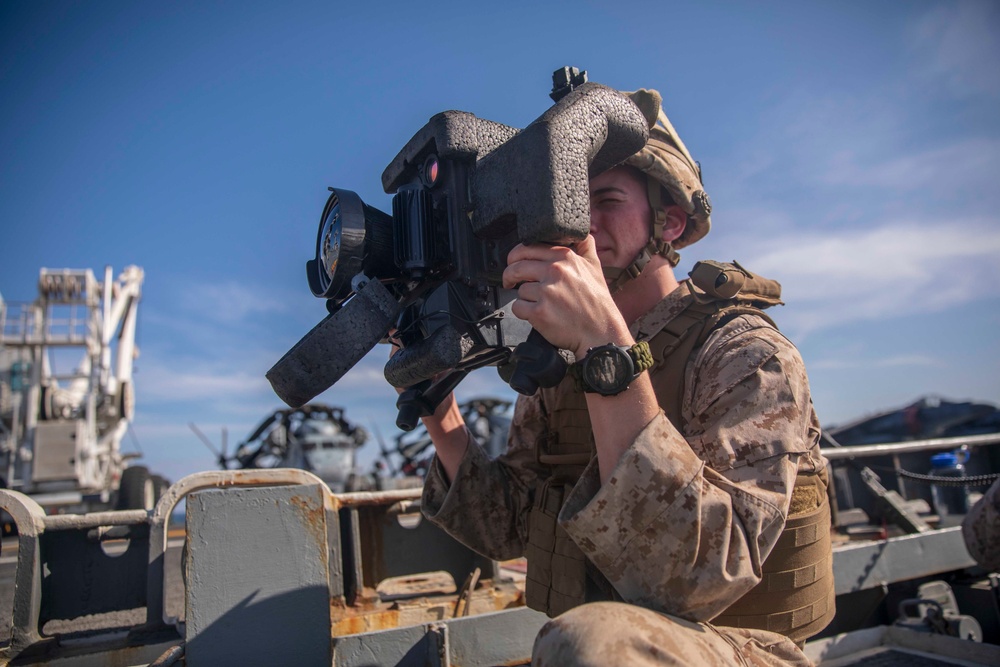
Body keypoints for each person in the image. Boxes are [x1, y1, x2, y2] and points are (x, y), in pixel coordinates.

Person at [396, 88, 835, 666]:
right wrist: (438, 409)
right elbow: (510, 529)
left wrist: (605, 351)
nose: (577, 219)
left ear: (669, 224)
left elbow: (699, 580)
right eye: (568, 197)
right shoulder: (560, 355)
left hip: (748, 648)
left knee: (591, 643)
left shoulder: (744, 353)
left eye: (605, 199)